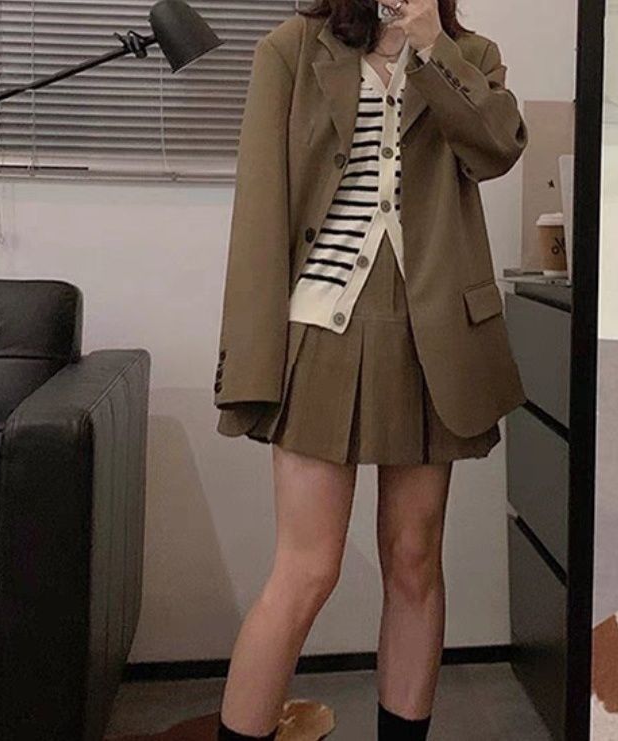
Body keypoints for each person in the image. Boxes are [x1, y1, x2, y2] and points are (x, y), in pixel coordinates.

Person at [212, 1, 528, 738]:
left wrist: (433, 46)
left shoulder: (471, 54)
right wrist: (251, 359)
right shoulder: (292, 49)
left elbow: (496, 148)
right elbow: (259, 207)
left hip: (433, 340)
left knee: (414, 561)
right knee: (306, 569)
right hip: (321, 333)